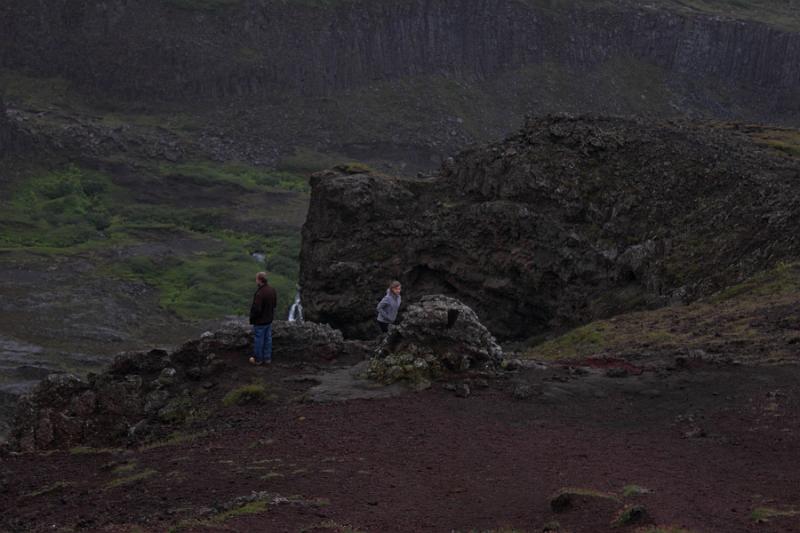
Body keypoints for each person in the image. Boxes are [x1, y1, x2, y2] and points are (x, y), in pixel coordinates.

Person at [249, 271, 277, 365]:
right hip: (269, 320)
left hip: (260, 321)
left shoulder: (260, 293)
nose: (255, 281)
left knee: (259, 340)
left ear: (259, 280)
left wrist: (252, 317)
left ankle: (258, 359)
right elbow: (274, 305)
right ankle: (267, 358)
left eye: (256, 279)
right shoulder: (272, 290)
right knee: (268, 339)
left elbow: (257, 310)